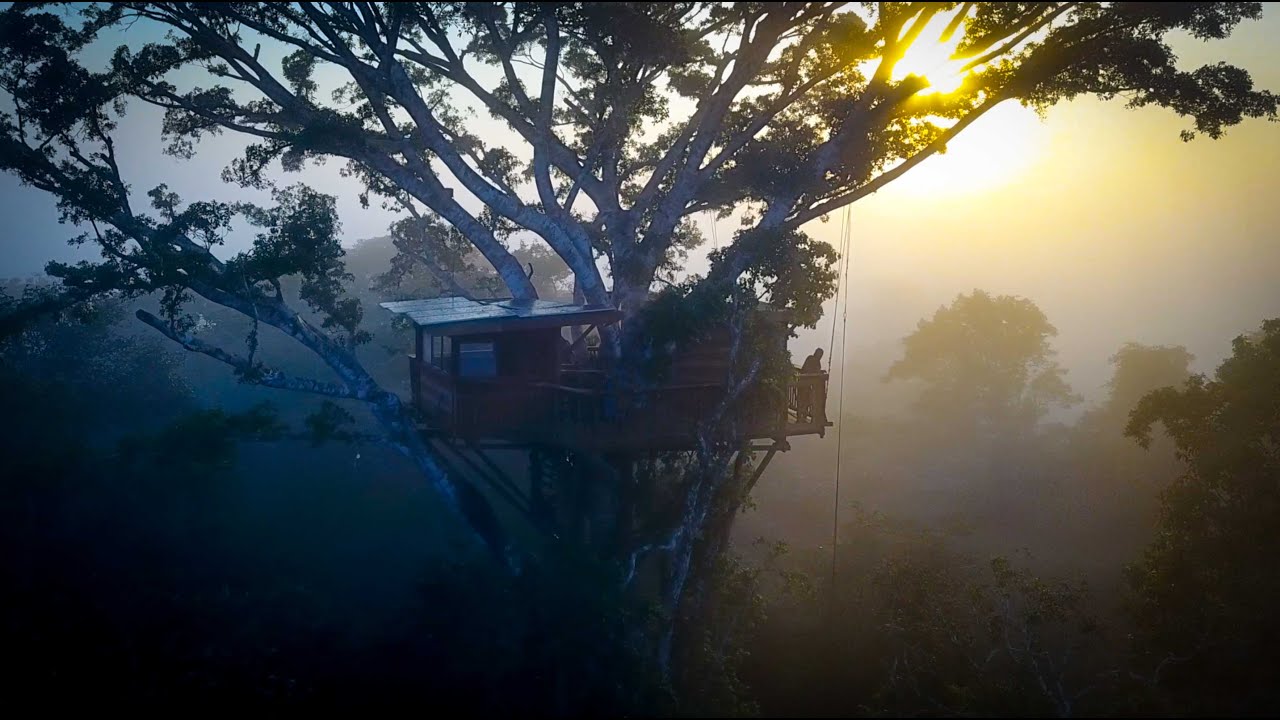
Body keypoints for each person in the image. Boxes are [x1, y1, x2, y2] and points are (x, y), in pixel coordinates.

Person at [798, 348, 826, 425]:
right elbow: (808, 370)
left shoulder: (814, 360)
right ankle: (802, 418)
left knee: (807, 401)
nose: (820, 356)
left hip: (808, 385)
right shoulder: (812, 359)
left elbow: (814, 370)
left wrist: (820, 372)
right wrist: (818, 372)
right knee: (806, 401)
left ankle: (803, 417)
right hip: (805, 384)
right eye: (820, 354)